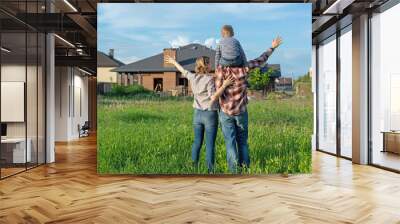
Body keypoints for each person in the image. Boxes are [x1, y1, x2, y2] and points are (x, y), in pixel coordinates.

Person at [215, 36, 283, 173]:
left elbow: (217, 91)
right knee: (243, 142)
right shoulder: (244, 69)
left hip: (226, 113)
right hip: (241, 112)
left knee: (230, 143)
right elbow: (261, 60)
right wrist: (273, 47)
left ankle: (233, 172)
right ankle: (245, 169)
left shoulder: (220, 71)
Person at [165, 55, 234, 173]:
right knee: (210, 145)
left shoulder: (193, 77)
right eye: (209, 63)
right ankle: (210, 171)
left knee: (197, 142)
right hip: (209, 115)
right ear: (206, 65)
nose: (211, 65)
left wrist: (173, 62)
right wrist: (224, 85)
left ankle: (193, 167)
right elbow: (213, 97)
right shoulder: (209, 80)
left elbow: (183, 70)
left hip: (197, 115)